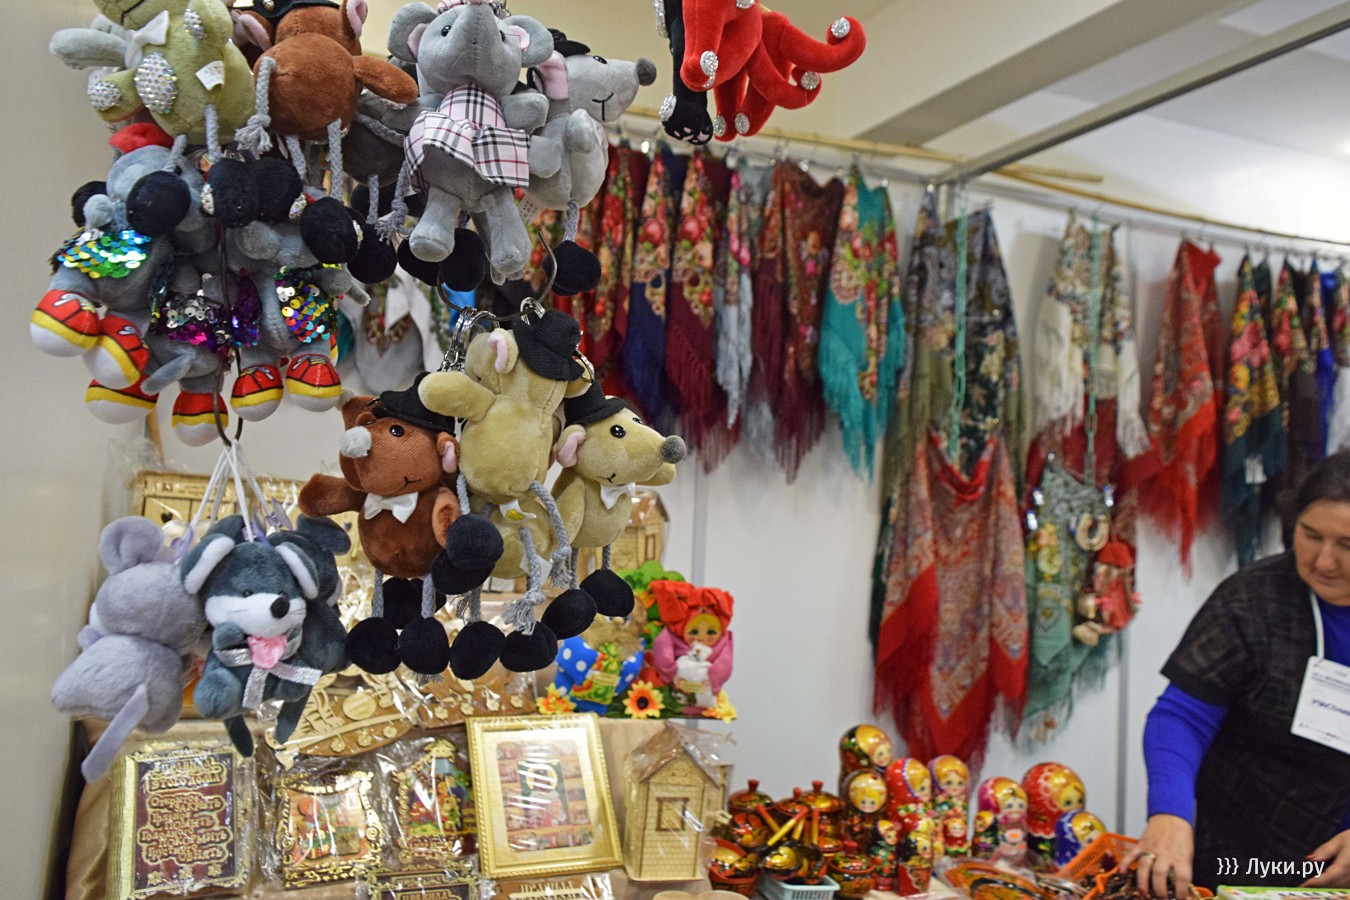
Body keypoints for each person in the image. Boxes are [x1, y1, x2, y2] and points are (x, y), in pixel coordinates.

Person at [1124, 449, 1350, 895]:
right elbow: (1182, 716)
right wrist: (1169, 812)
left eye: (1348, 545)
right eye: (1310, 535)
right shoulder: (1254, 600)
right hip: (1242, 854)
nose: (1324, 561)